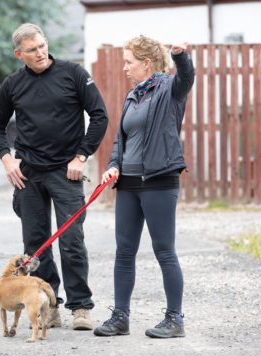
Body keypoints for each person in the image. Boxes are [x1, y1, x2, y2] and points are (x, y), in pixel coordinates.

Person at [0, 23, 109, 330]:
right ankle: (49, 305)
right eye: (32, 50)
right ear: (19, 54)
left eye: (42, 46)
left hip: (65, 172)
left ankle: (81, 306)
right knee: (36, 247)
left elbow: (99, 115)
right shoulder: (13, 84)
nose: (40, 53)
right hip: (27, 174)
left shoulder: (74, 74)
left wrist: (82, 156)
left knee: (71, 241)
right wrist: (7, 159)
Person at [93, 36, 194, 338]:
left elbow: (187, 77)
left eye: (129, 62)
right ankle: (120, 316)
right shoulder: (132, 95)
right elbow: (121, 139)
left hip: (159, 181)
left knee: (164, 250)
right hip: (128, 184)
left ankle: (175, 319)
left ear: (146, 64)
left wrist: (181, 56)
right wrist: (113, 165)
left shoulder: (169, 89)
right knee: (124, 251)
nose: (124, 68)